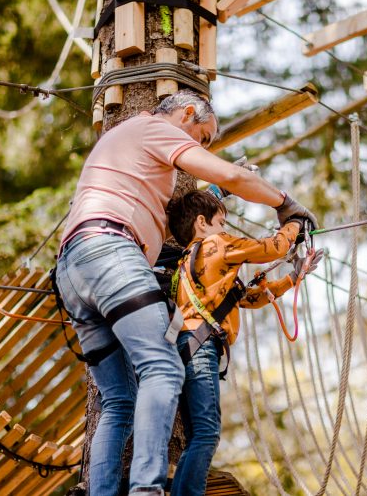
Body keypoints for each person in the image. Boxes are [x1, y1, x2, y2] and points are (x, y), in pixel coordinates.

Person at [54, 90, 318, 496]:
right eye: (203, 137)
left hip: (73, 270)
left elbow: (161, 215)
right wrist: (287, 206)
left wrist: (215, 200)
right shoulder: (155, 128)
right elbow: (233, 175)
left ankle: (100, 492)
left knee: (119, 399)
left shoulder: (127, 145)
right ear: (188, 113)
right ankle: (146, 490)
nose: (199, 147)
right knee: (162, 368)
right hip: (110, 248)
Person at [166, 190, 323, 496]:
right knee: (207, 433)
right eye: (221, 222)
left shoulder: (192, 262)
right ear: (202, 223)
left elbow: (248, 298)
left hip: (187, 347)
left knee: (199, 434)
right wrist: (294, 224)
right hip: (200, 347)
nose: (225, 229)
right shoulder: (215, 243)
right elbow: (272, 247)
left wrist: (292, 277)